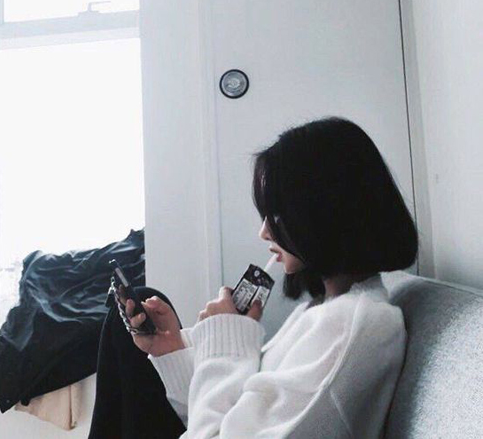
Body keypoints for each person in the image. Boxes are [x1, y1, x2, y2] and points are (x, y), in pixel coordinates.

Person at [89, 116, 418, 438]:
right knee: (133, 319)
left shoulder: (348, 326)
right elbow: (229, 413)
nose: (264, 232)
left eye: (276, 215)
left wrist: (226, 335)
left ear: (324, 211)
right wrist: (171, 349)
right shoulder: (325, 310)